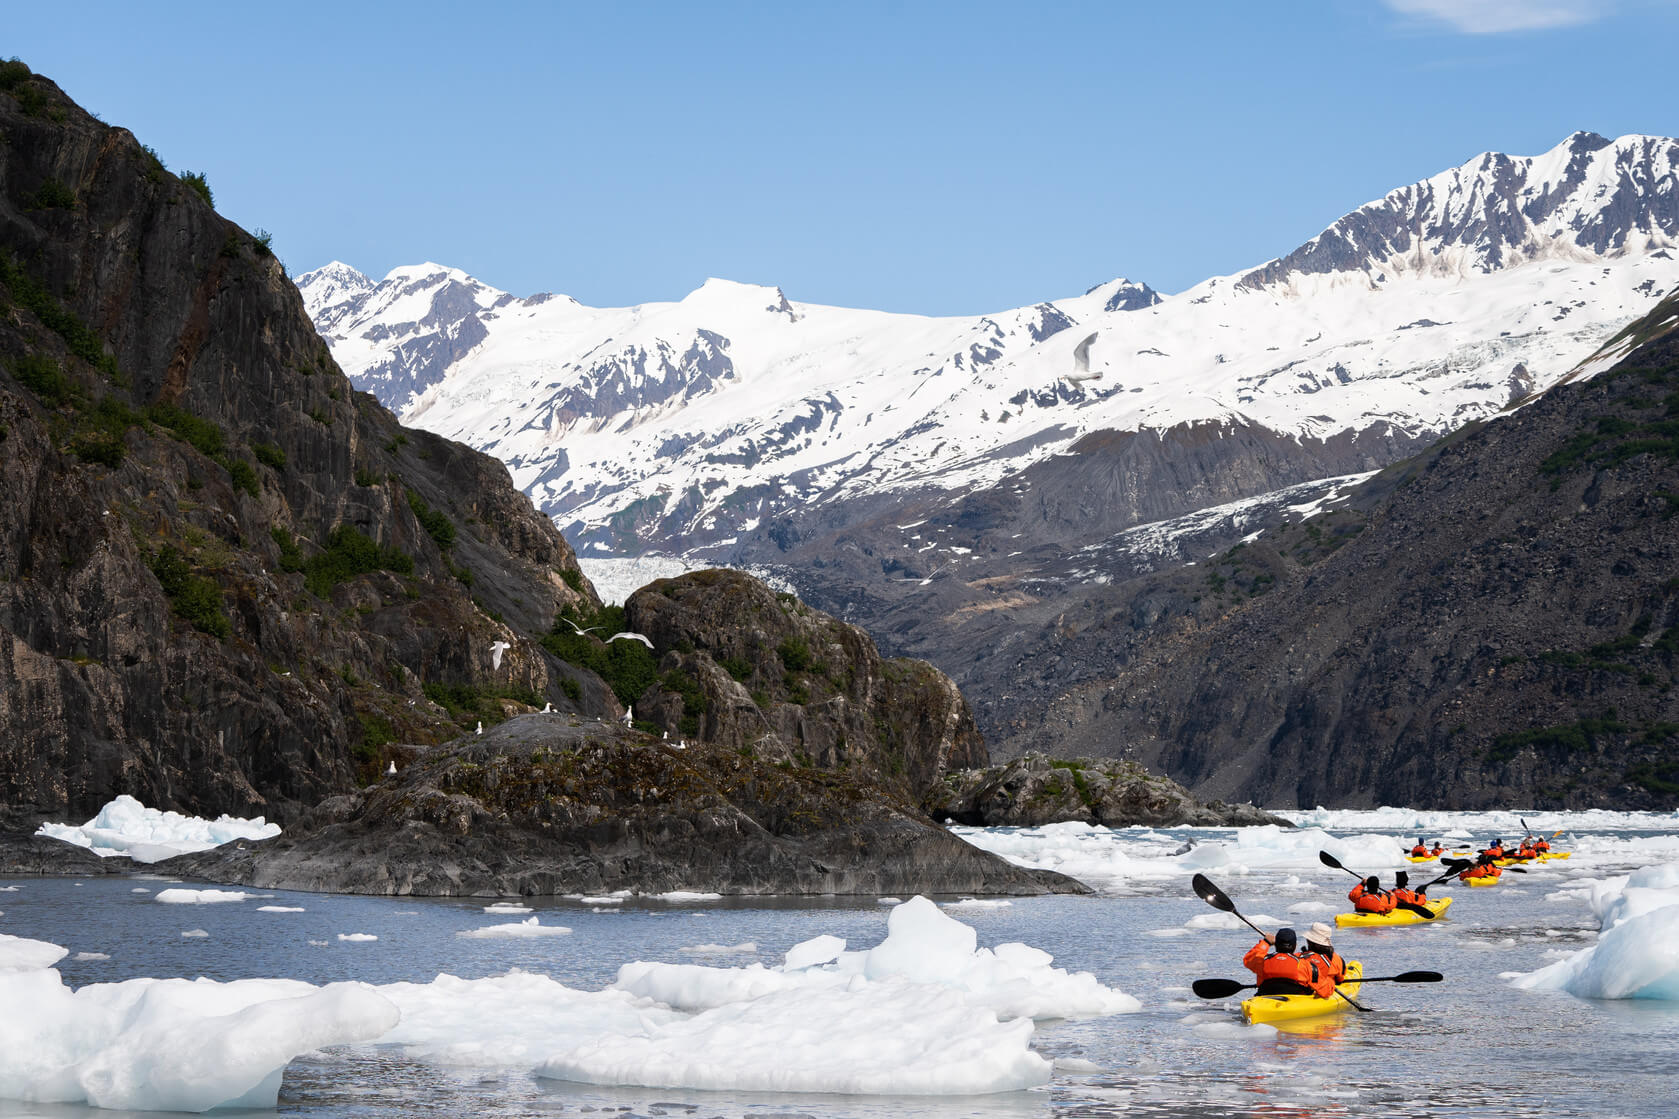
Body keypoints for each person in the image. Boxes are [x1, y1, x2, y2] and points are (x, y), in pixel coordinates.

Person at [1242, 926, 1327, 997]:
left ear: (1275, 944)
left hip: (1266, 999)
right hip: (1295, 1004)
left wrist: (1265, 942)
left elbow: (1248, 959)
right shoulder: (1305, 965)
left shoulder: (1262, 961)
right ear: (1295, 946)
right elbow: (1325, 991)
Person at [1304, 922, 1346, 995]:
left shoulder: (1301, 958)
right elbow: (1340, 980)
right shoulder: (1337, 959)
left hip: (1304, 992)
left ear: (1310, 942)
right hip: (1325, 991)